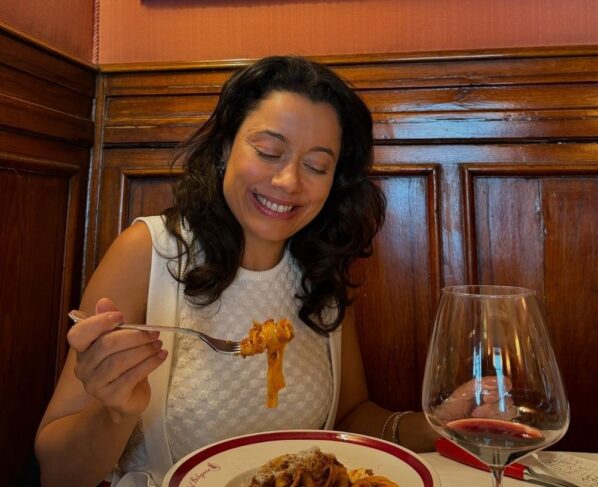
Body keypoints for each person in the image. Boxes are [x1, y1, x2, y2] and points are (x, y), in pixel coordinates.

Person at [35, 55, 440, 487]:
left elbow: (349, 416)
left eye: (316, 166)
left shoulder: (319, 267)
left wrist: (439, 425)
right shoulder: (149, 252)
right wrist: (114, 410)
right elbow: (58, 474)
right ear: (226, 146)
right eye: (269, 152)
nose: (288, 181)